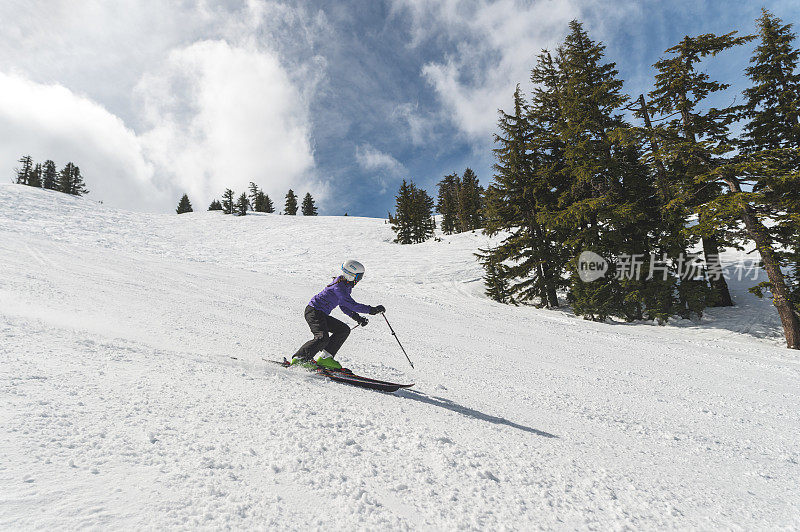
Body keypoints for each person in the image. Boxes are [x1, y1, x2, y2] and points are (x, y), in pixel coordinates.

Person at [291, 260, 385, 369]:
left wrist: (356, 317)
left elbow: (343, 305)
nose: (360, 280)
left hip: (321, 313)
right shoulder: (339, 286)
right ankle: (300, 359)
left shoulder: (345, 285)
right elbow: (350, 304)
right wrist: (372, 310)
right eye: (359, 277)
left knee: (343, 329)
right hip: (314, 312)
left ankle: (326, 358)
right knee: (322, 338)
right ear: (351, 275)